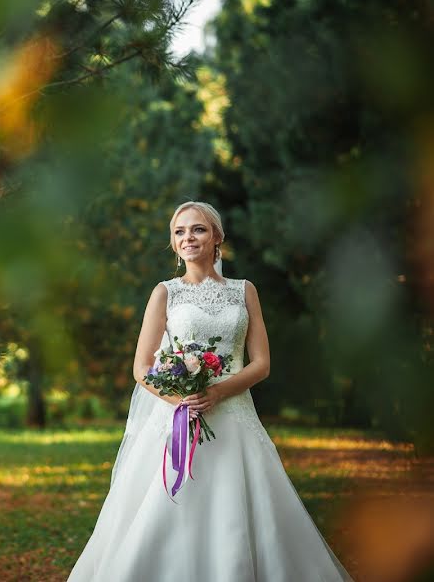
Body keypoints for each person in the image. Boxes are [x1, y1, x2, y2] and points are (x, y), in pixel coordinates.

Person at [68, 201, 353, 581]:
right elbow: (141, 368)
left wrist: (218, 392)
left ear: (217, 236)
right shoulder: (165, 293)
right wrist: (181, 400)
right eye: (180, 232)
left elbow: (261, 364)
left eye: (198, 229)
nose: (188, 238)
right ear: (173, 242)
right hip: (179, 420)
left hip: (235, 417)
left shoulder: (244, 291)